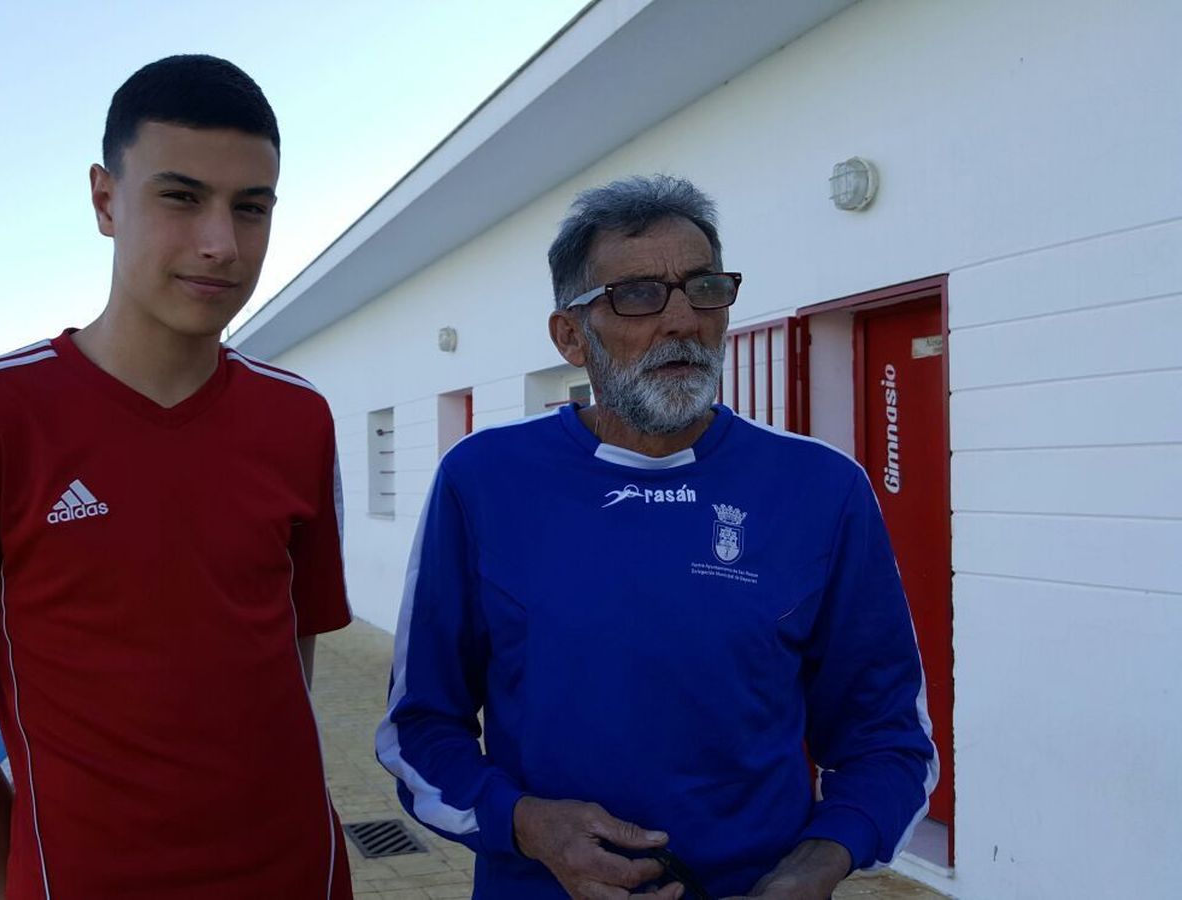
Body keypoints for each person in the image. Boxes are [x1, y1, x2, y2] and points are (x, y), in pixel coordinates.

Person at [376, 176, 936, 900]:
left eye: (704, 287)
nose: (681, 320)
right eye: (637, 295)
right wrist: (523, 824)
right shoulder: (483, 479)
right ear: (570, 335)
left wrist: (819, 861)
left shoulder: (822, 489)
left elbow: (887, 739)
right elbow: (417, 728)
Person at [0, 55, 353, 899]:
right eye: (181, 197)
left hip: (301, 877)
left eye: (251, 208)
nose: (222, 242)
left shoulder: (299, 418)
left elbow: (293, 667)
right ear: (106, 200)